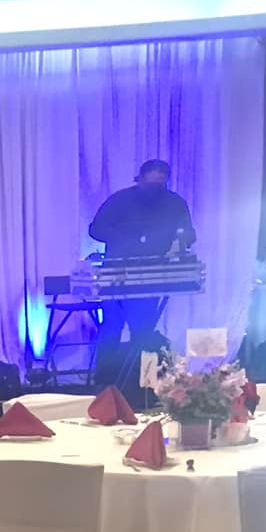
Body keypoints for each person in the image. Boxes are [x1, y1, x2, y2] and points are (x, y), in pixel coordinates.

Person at [88, 159, 196, 389]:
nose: (157, 186)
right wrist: (125, 237)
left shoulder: (174, 203)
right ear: (141, 179)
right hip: (116, 272)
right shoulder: (120, 200)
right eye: (152, 181)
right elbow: (95, 229)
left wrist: (182, 241)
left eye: (161, 182)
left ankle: (146, 385)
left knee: (144, 331)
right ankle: (104, 385)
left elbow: (188, 232)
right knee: (111, 328)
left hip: (150, 272)